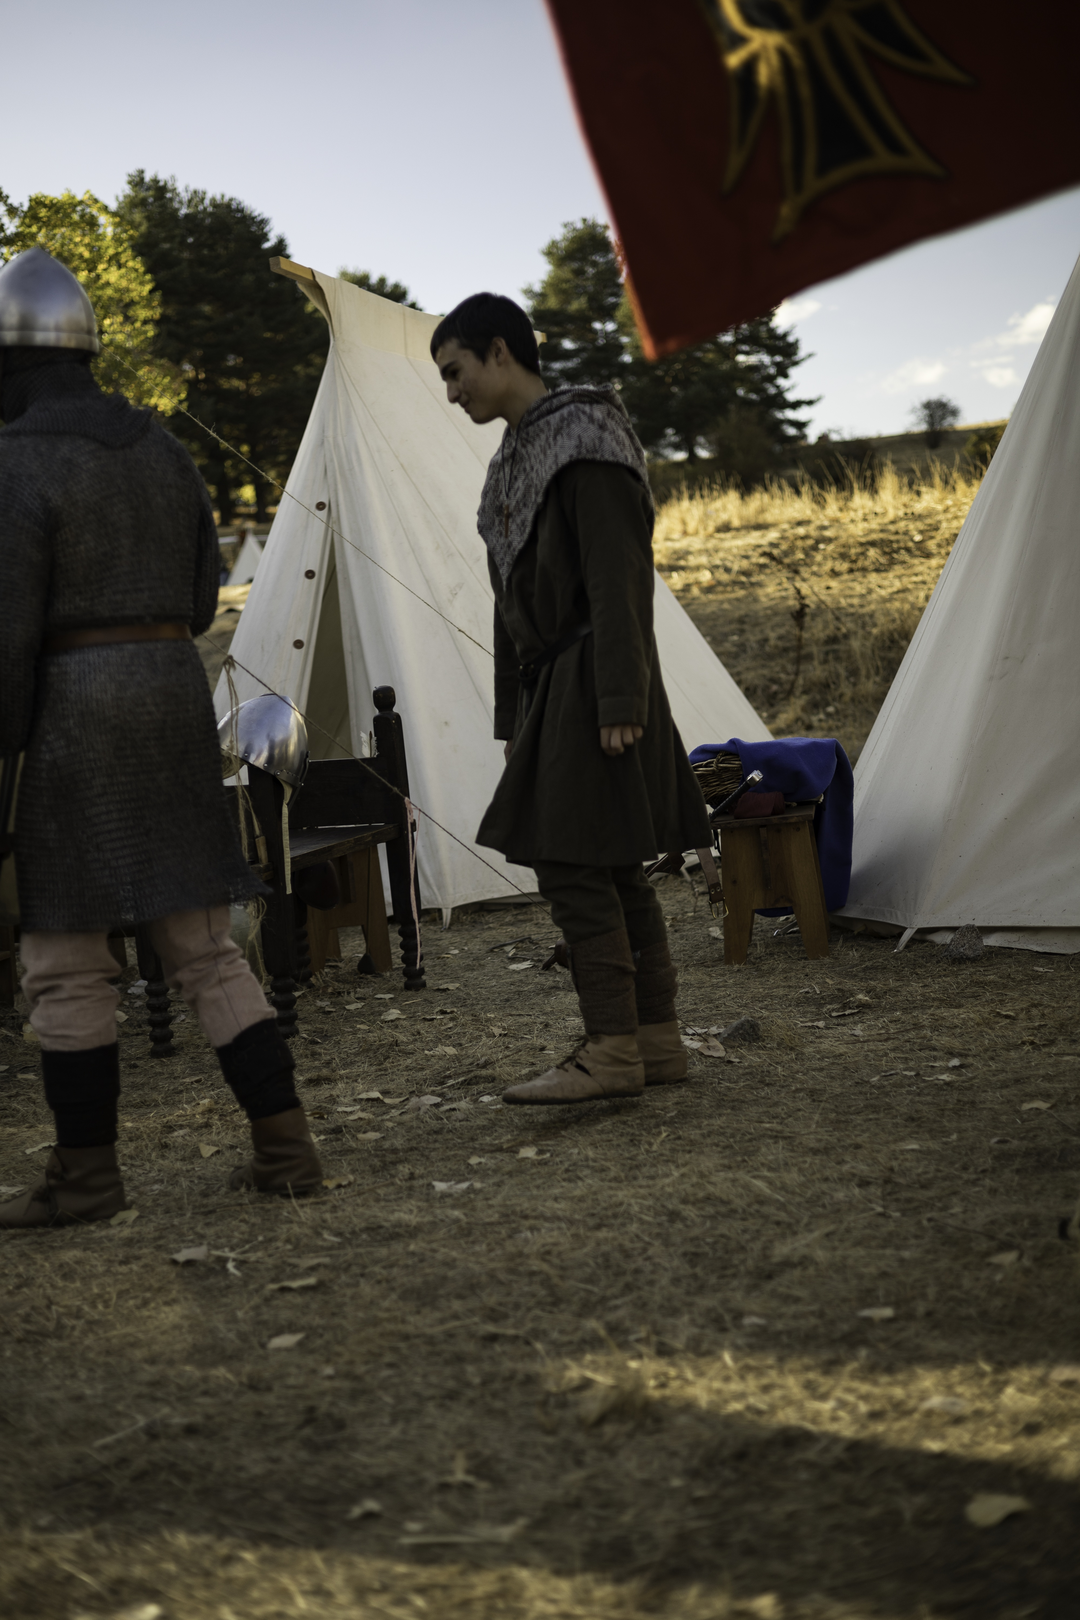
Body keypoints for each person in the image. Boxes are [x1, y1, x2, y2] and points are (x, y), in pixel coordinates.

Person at [0, 248, 322, 1228]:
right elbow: (197, 598)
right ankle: (287, 1147)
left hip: (72, 716)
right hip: (172, 696)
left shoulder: (12, 459)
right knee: (205, 951)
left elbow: (8, 634)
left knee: (65, 961)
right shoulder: (161, 446)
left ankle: (87, 1177)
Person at [432, 293, 711, 1105]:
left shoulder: (586, 439)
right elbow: (508, 602)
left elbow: (618, 574)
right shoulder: (514, 460)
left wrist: (622, 696)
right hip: (553, 683)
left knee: (573, 861)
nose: (451, 392)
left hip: (596, 675)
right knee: (613, 863)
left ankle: (612, 1051)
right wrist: (513, 715)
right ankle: (655, 1043)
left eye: (455, 371)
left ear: (499, 351)